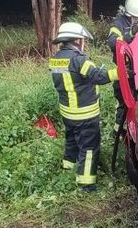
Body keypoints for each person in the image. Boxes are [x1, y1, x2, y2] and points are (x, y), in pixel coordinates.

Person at [50, 22, 119, 192]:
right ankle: (86, 184)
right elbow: (100, 77)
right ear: (77, 40)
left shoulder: (56, 58)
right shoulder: (79, 60)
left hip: (68, 113)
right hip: (85, 114)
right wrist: (121, 72)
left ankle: (67, 171)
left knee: (72, 142)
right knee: (89, 149)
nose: (84, 43)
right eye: (83, 40)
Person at [107, 0, 138, 125]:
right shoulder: (118, 24)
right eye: (137, 17)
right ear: (129, 15)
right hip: (124, 73)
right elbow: (113, 43)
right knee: (124, 106)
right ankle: (118, 133)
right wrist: (130, 34)